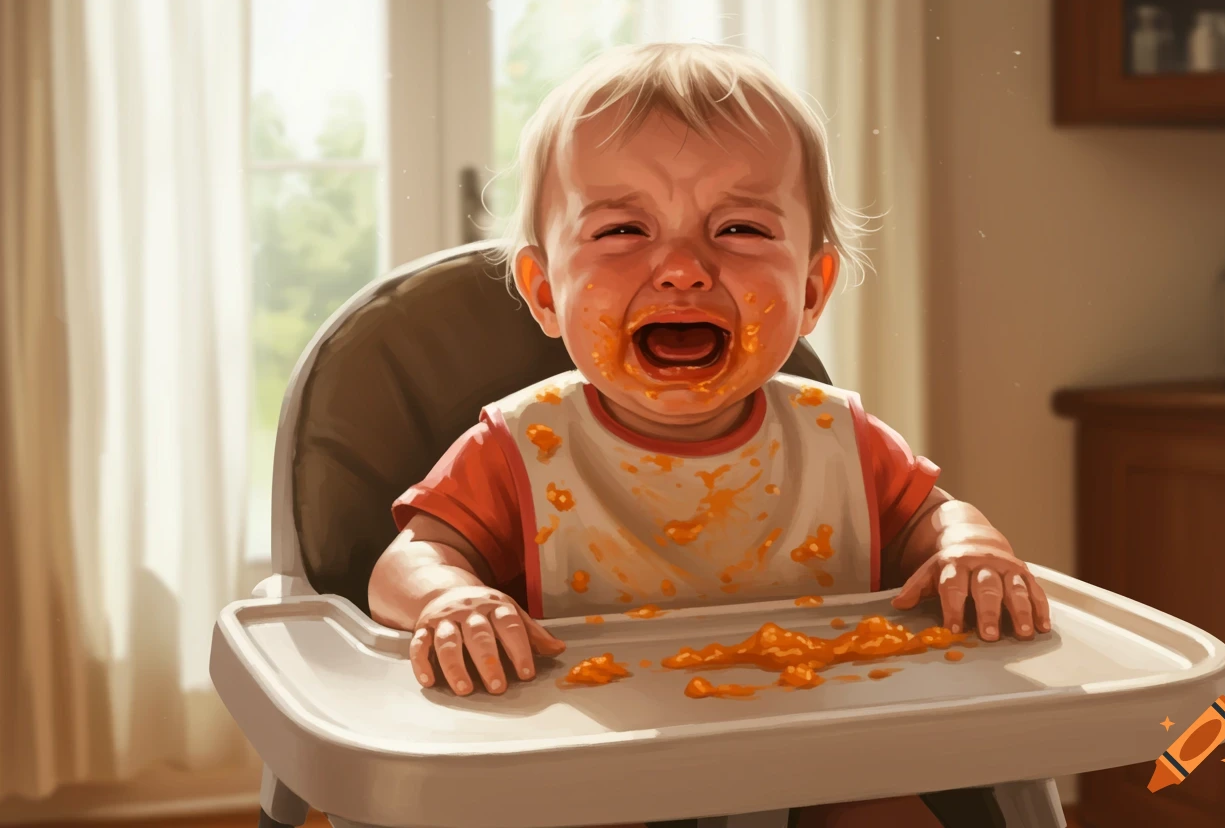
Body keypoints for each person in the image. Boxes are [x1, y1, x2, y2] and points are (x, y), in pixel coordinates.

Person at [367, 44, 1051, 826]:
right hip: (590, 774)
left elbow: (937, 516)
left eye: (740, 229)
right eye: (623, 229)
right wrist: (452, 599)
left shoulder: (839, 439)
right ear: (545, 291)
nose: (684, 268)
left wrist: (971, 549)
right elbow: (406, 560)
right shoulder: (521, 446)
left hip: (821, 762)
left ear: (811, 290)